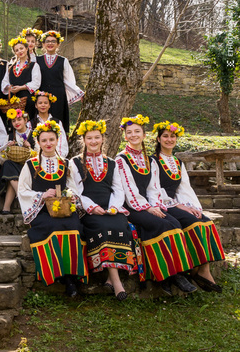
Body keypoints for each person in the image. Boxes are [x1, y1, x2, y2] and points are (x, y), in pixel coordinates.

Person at [116, 115, 197, 295]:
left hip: (150, 204)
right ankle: (169, 276)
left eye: (137, 131)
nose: (133, 135)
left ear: (144, 135)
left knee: (175, 224)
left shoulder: (150, 160)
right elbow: (129, 190)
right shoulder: (121, 159)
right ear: (125, 136)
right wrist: (147, 208)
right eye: (129, 132)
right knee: (159, 224)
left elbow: (154, 187)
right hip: (132, 206)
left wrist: (157, 205)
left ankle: (174, 274)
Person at [152, 121, 225, 292]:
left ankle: (202, 270)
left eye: (172, 136)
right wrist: (180, 207)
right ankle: (199, 271)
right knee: (194, 223)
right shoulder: (153, 161)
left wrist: (193, 207)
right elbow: (154, 189)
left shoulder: (178, 162)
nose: (169, 139)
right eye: (165, 136)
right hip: (161, 202)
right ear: (158, 138)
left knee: (205, 221)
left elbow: (184, 188)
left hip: (177, 203)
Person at [69, 120, 138, 301]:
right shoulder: (75, 163)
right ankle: (116, 283)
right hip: (89, 210)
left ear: (102, 139)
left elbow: (118, 189)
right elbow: (75, 191)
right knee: (102, 228)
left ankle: (110, 276)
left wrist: (114, 207)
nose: (93, 141)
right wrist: (92, 207)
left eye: (96, 138)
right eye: (89, 138)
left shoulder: (112, 163)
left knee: (121, 226)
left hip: (111, 208)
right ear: (83, 140)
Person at [17, 120, 86, 297]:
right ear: (38, 143)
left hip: (63, 209)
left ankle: (71, 277)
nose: (48, 143)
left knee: (74, 226)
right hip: (41, 211)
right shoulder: (31, 164)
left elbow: (74, 188)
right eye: (44, 140)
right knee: (51, 227)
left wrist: (69, 196)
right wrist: (41, 196)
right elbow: (23, 190)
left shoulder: (65, 163)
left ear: (57, 141)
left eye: (51, 140)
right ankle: (56, 274)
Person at [38, 30, 84, 131]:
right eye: (47, 41)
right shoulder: (37, 60)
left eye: (53, 41)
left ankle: (60, 143)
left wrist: (79, 93)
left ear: (58, 44)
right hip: (41, 96)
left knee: (57, 120)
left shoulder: (63, 60)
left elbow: (69, 80)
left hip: (58, 96)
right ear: (43, 44)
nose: (50, 43)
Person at [0, 109, 31, 214]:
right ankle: (21, 195)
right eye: (13, 121)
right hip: (14, 168)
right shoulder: (10, 137)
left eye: (19, 119)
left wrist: (29, 148)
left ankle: (6, 207)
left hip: (28, 168)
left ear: (25, 120)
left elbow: (39, 155)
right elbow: (1, 159)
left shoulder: (34, 135)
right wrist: (7, 148)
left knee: (11, 172)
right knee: (8, 165)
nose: (16, 123)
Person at [3, 36, 40, 119]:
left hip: (27, 100)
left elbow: (36, 82)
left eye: (21, 48)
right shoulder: (11, 67)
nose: (20, 51)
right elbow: (5, 81)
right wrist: (9, 87)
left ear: (26, 48)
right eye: (17, 50)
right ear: (15, 53)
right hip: (13, 101)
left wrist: (21, 87)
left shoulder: (34, 65)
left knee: (27, 121)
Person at [31, 90, 68, 158]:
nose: (43, 105)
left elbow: (62, 142)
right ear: (36, 105)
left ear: (49, 105)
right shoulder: (31, 123)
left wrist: (58, 156)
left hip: (55, 157)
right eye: (40, 103)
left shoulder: (57, 122)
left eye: (45, 103)